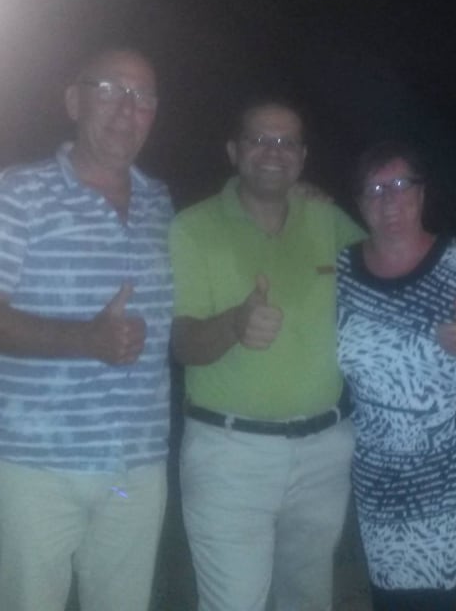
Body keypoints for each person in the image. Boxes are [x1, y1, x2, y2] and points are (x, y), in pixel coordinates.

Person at [0, 48, 173, 611]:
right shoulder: (16, 193)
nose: (127, 109)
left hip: (134, 467)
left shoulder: (159, 204)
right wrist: (86, 340)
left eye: (143, 97)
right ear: (74, 101)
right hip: (32, 466)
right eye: (110, 90)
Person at [169, 98, 365, 611]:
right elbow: (182, 342)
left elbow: (385, 270)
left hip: (325, 451)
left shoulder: (326, 219)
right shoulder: (192, 227)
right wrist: (235, 323)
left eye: (286, 142)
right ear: (234, 151)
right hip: (230, 455)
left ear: (302, 157)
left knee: (308, 600)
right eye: (259, 140)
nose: (273, 152)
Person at [336, 140, 456, 611]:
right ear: (359, 204)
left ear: (422, 194)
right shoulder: (340, 271)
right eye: (375, 189)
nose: (389, 200)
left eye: (401, 185)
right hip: (385, 487)